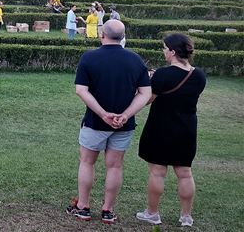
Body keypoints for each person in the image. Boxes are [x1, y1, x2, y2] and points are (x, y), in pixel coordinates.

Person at [66, 20, 152, 224]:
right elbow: (145, 93)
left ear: (102, 34)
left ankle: (83, 207)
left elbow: (81, 90)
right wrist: (126, 115)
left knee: (87, 162)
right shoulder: (135, 59)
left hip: (95, 122)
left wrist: (103, 114)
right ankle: (107, 210)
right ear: (122, 37)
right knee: (115, 167)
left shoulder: (89, 57)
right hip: (123, 125)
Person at [135, 33, 206, 228]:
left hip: (160, 128)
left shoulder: (162, 75)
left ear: (173, 52)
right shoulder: (199, 75)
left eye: (165, 49)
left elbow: (148, 98)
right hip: (186, 129)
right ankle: (186, 216)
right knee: (185, 173)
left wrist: (151, 79)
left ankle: (152, 213)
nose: (164, 52)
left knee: (157, 172)